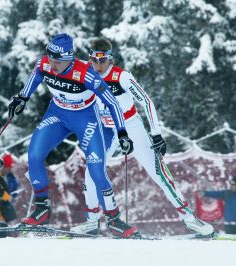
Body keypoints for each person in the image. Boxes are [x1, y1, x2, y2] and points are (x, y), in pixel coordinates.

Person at [70, 37, 214, 236]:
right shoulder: (86, 74)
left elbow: (147, 102)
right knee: (91, 171)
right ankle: (92, 221)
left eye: (103, 60)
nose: (98, 65)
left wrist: (156, 134)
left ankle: (189, 218)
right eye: (94, 60)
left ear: (111, 59)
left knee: (158, 172)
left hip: (130, 126)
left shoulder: (122, 77)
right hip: (106, 128)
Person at [8, 33, 137, 238]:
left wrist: (122, 133)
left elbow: (112, 102)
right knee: (34, 155)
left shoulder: (85, 73)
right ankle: (42, 209)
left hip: (85, 118)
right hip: (58, 115)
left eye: (57, 60)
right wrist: (21, 98)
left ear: (69, 58)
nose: (52, 64)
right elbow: (35, 76)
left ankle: (114, 219)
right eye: (50, 58)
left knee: (96, 170)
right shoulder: (45, 64)